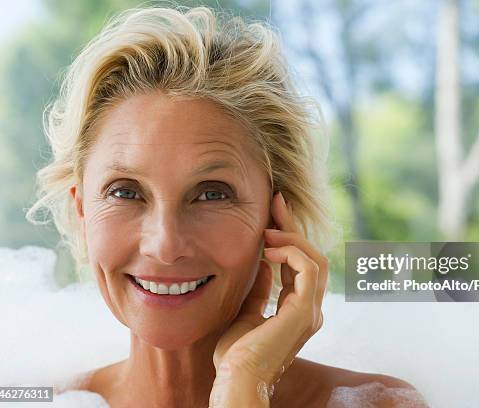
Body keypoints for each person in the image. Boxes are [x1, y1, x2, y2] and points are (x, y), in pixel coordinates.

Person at [26, 5, 427, 407]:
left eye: (212, 193)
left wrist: (244, 379)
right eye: (125, 192)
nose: (165, 246)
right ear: (81, 211)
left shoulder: (377, 403)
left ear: (274, 217)